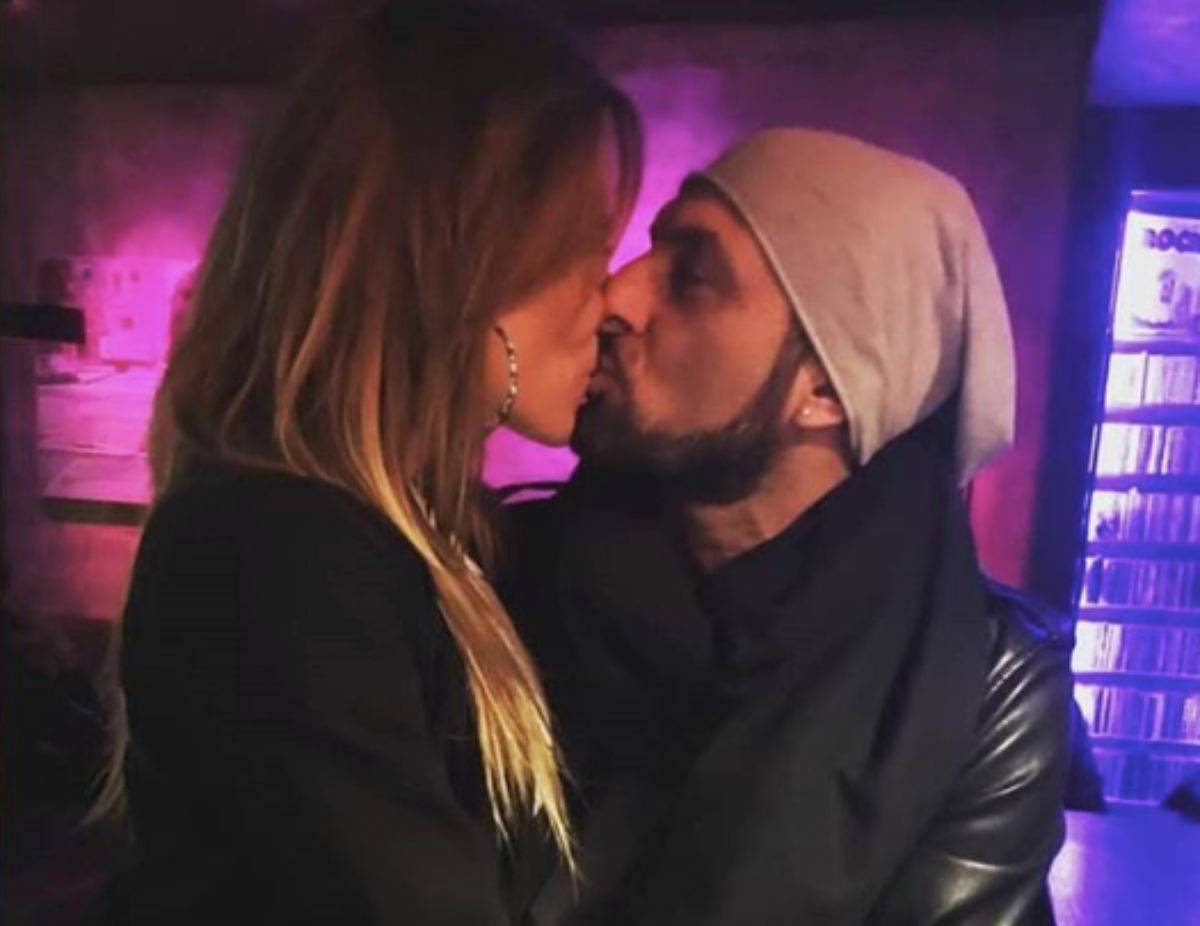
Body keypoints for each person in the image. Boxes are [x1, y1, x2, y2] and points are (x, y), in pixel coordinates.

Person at [105, 2, 641, 923]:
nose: (614, 299)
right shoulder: (275, 553)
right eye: (589, 250)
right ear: (459, 260)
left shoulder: (416, 535)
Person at [503, 128, 1073, 925]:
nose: (617, 298)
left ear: (825, 391)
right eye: (650, 251)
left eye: (691, 278)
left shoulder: (978, 686)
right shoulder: (502, 578)